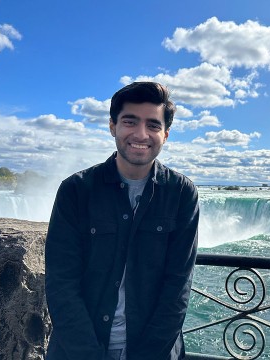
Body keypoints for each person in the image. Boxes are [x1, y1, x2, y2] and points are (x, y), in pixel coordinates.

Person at [45, 82, 199, 360]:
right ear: (112, 126)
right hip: (80, 351)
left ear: (165, 134)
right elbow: (61, 285)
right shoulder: (76, 191)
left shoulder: (181, 193)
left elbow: (177, 289)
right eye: (130, 121)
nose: (141, 134)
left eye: (153, 125)